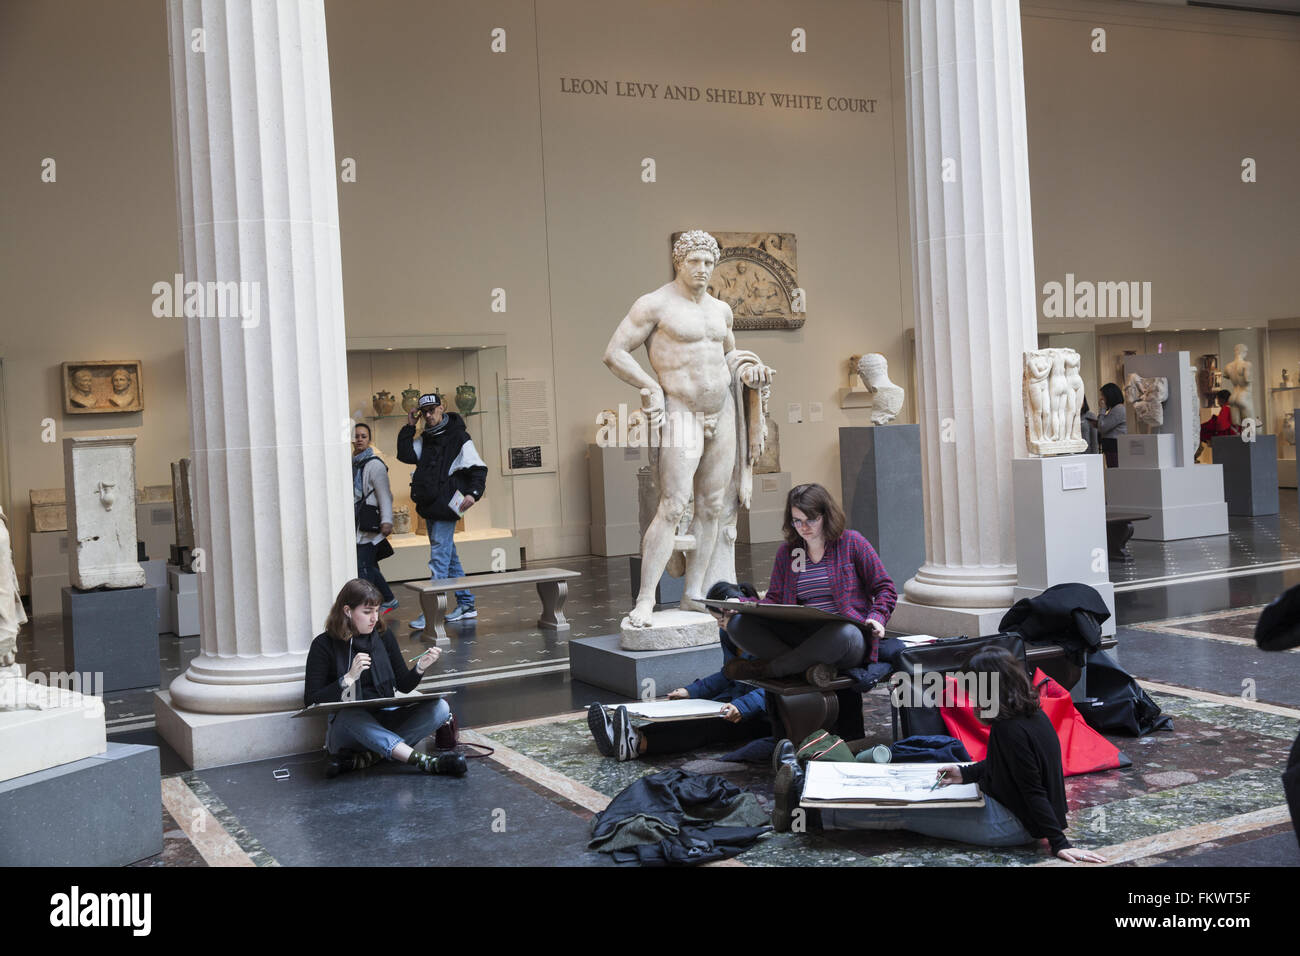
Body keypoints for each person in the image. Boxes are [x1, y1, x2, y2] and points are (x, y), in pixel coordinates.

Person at [773, 646, 1106, 864]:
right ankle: (809, 783)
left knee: (907, 811)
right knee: (921, 784)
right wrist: (968, 774)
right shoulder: (1029, 715)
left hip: (1011, 824)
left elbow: (1032, 787)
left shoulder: (1011, 729)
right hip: (1008, 806)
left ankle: (808, 812)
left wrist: (1059, 843)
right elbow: (1012, 767)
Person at [603, 229, 774, 626]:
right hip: (682, 412)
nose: (702, 269)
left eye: (709, 262)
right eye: (694, 261)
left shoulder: (721, 310)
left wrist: (751, 371)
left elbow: (730, 358)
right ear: (679, 262)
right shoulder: (655, 305)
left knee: (715, 506)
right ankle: (646, 599)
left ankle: (694, 594)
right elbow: (613, 353)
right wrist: (650, 385)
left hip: (723, 412)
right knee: (674, 504)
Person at [724, 483, 897, 688]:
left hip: (847, 640)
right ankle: (808, 668)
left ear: (826, 515)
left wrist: (877, 617)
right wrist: (740, 604)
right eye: (797, 521)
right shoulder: (788, 553)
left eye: (811, 520)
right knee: (737, 624)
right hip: (802, 636)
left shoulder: (852, 543)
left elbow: (885, 588)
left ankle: (771, 669)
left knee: (844, 633)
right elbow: (775, 601)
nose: (803, 528)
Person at [588, 581, 771, 761]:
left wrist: (744, 706)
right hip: (735, 700)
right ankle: (624, 737)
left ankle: (638, 744)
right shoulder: (729, 634)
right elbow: (727, 675)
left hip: (759, 715)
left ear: (734, 612)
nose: (719, 625)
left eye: (720, 620)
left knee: (706, 727)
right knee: (689, 716)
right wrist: (691, 691)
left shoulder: (764, 637)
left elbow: (777, 687)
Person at [304, 578, 466, 778]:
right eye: (367, 612)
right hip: (349, 730)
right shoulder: (324, 644)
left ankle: (368, 758)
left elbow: (403, 686)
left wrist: (420, 667)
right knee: (349, 714)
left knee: (440, 708)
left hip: (385, 720)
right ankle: (425, 762)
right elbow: (310, 699)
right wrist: (348, 678)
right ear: (347, 611)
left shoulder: (382, 636)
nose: (374, 618)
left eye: (377, 611)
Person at [397, 392, 487, 630]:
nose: (428, 415)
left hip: (447, 505)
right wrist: (409, 426)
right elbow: (405, 454)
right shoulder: (426, 437)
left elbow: (478, 468)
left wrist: (473, 494)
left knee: (439, 559)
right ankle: (467, 604)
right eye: (424, 412)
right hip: (430, 505)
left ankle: (431, 613)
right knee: (449, 558)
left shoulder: (458, 437)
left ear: (442, 409)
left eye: (432, 410)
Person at [352, 423, 398, 614]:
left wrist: (387, 520)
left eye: (364, 436)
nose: (360, 439)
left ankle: (368, 606)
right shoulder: (354, 463)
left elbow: (384, 494)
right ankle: (388, 599)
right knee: (368, 565)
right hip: (359, 523)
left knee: (364, 566)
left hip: (370, 524)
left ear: (369, 440)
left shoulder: (374, 464)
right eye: (357, 436)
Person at [1196, 389, 1239, 462]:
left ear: (1221, 399)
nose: (1217, 402)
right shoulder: (1234, 407)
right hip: (1233, 437)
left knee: (1199, 432)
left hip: (1225, 438)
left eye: (1218, 399)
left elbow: (1220, 425)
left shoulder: (1226, 408)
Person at [1096, 383, 1127, 468]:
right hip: (1112, 447)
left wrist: (1102, 409)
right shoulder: (1114, 409)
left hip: (1115, 448)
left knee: (1114, 472)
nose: (1101, 398)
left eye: (1103, 395)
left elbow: (1102, 427)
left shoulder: (1118, 409)